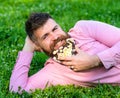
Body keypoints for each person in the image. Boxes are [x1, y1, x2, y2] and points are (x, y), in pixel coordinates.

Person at [9, 12, 120, 93]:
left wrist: (95, 60)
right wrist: (27, 48)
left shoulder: (83, 29)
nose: (55, 36)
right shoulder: (53, 71)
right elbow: (17, 91)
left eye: (55, 29)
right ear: (39, 47)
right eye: (45, 36)